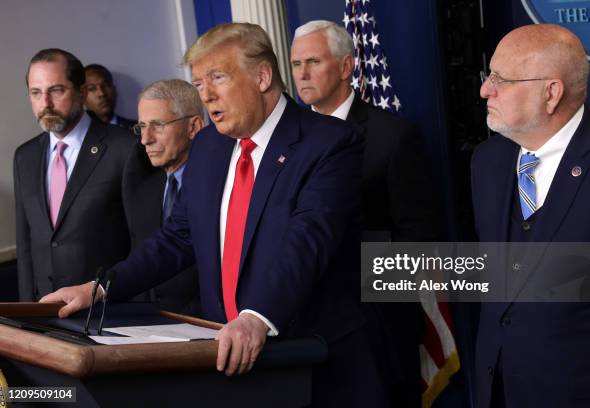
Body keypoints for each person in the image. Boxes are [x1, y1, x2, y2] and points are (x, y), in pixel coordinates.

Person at [41, 23, 388, 406]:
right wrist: (102, 287)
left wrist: (257, 316)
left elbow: (308, 239)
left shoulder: (329, 142)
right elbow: (178, 237)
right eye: (199, 83)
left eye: (217, 78)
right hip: (228, 364)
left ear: (262, 76)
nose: (205, 94)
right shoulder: (208, 145)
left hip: (315, 365)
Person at [291, 20, 436, 406]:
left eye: (313, 62)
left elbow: (418, 239)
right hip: (307, 326)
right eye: (295, 64)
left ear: (345, 66)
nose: (302, 74)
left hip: (378, 327)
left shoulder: (393, 136)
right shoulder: (289, 140)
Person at [473, 24, 590, 407]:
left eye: (501, 79)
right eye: (489, 76)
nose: (486, 90)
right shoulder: (487, 163)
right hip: (495, 389)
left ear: (551, 93)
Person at [14, 48, 135, 301]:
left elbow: (141, 239)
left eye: (56, 90)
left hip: (108, 312)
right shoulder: (25, 157)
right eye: (36, 93)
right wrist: (28, 312)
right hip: (44, 312)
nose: (45, 103)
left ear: (81, 92)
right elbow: (26, 247)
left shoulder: (124, 147)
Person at [122, 79, 205, 315]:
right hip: (149, 322)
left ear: (193, 127)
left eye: (157, 125)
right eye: (141, 127)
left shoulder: (218, 181)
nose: (145, 139)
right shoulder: (140, 180)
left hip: (208, 324)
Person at [84, 64, 136, 129]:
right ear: (82, 96)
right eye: (92, 88)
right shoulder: (77, 132)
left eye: (106, 85)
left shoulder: (136, 129)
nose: (101, 93)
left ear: (114, 90)